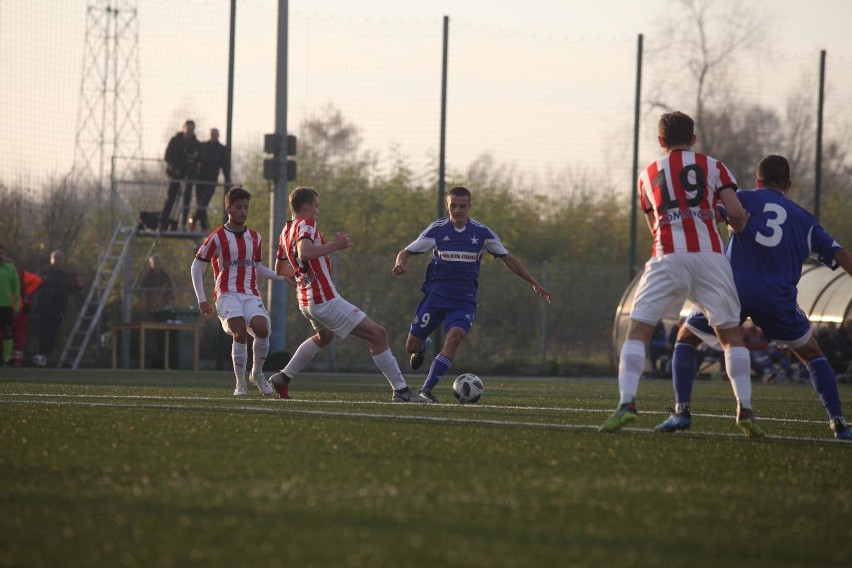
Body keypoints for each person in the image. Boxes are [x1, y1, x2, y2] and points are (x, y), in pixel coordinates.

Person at [656, 155, 852, 440]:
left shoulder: (744, 197)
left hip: (731, 289)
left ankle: (682, 411)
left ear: (758, 181)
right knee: (812, 354)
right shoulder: (805, 221)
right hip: (776, 298)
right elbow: (841, 256)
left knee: (686, 338)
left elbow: (721, 214)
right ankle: (839, 423)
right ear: (789, 184)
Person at [599, 111, 763, 437]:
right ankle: (744, 409)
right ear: (693, 139)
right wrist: (737, 222)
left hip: (668, 256)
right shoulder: (714, 166)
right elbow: (734, 213)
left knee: (637, 331)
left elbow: (653, 226)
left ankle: (627, 402)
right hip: (710, 258)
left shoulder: (647, 175)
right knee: (730, 336)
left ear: (661, 141)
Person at [392, 185, 552, 403]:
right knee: (411, 346)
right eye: (453, 206)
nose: (457, 210)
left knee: (455, 336)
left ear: (470, 207)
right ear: (447, 206)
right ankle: (424, 346)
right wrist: (400, 263)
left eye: (462, 206)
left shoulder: (482, 233)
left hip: (463, 300)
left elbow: (508, 258)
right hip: (435, 297)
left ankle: (426, 390)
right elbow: (406, 251)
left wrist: (534, 283)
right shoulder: (437, 230)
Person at [267, 186, 422, 403]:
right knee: (378, 334)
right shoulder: (307, 224)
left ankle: (283, 377)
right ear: (306, 206)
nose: (317, 211)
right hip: (324, 299)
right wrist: (334, 245)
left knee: (325, 337)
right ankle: (402, 390)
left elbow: (281, 271)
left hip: (306, 300)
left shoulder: (285, 231)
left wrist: (303, 278)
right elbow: (304, 252)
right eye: (316, 206)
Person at [190, 186, 281, 396]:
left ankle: (257, 374)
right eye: (239, 207)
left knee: (262, 328)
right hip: (226, 294)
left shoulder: (255, 238)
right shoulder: (217, 237)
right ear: (228, 208)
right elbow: (196, 266)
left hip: (250, 293)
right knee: (239, 332)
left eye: (246, 207)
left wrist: (282, 277)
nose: (243, 211)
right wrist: (201, 299)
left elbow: (256, 268)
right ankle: (240, 383)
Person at [32, 249, 83, 365]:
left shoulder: (64, 275)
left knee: (53, 333)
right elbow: (34, 285)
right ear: (51, 259)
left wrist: (78, 286)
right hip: (44, 309)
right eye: (55, 258)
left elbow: (69, 289)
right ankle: (41, 355)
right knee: (43, 333)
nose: (57, 261)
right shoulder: (43, 272)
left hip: (58, 310)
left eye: (60, 258)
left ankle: (47, 356)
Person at [159, 119, 201, 231]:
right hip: (175, 175)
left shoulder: (196, 143)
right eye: (188, 128)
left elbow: (201, 158)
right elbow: (167, 156)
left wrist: (196, 156)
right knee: (170, 198)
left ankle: (181, 224)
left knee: (186, 200)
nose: (190, 131)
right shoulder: (175, 140)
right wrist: (174, 168)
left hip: (189, 176)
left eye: (192, 129)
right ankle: (163, 223)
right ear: (184, 128)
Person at [192, 127, 231, 232]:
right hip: (200, 179)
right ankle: (204, 227)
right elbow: (195, 160)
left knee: (204, 202)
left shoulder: (222, 149)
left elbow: (225, 165)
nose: (213, 136)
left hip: (212, 180)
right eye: (212, 134)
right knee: (200, 203)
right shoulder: (202, 146)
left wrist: (227, 179)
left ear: (218, 135)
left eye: (215, 134)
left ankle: (194, 219)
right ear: (209, 135)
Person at [0, 244, 21, 366]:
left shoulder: (10, 268)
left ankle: (6, 358)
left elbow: (16, 288)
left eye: (2, 253)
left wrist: (16, 306)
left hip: (6, 306)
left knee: (8, 332)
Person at [138, 255, 174, 320]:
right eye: (154, 262)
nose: (156, 264)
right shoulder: (146, 277)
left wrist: (167, 302)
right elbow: (141, 291)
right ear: (150, 263)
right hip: (149, 308)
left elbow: (170, 292)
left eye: (158, 262)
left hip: (163, 307)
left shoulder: (165, 277)